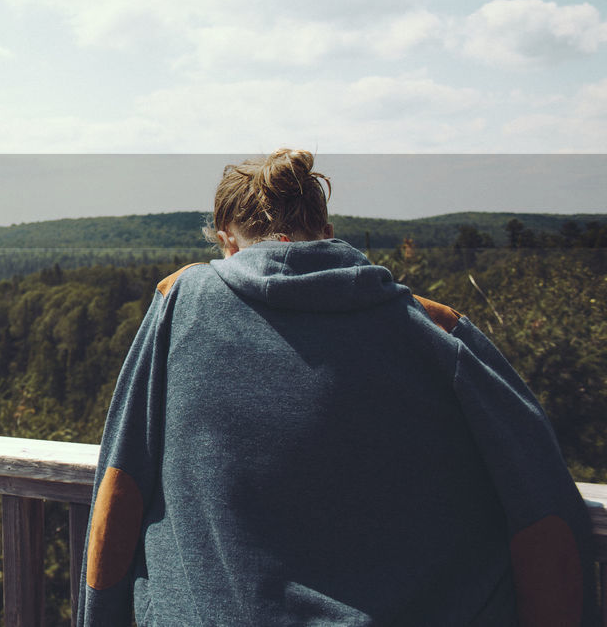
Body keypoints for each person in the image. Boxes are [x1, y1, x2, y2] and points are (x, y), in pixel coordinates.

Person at [78, 149, 596, 626]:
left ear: (224, 238)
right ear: (326, 230)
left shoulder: (180, 304)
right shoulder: (433, 330)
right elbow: (541, 497)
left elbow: (121, 486)